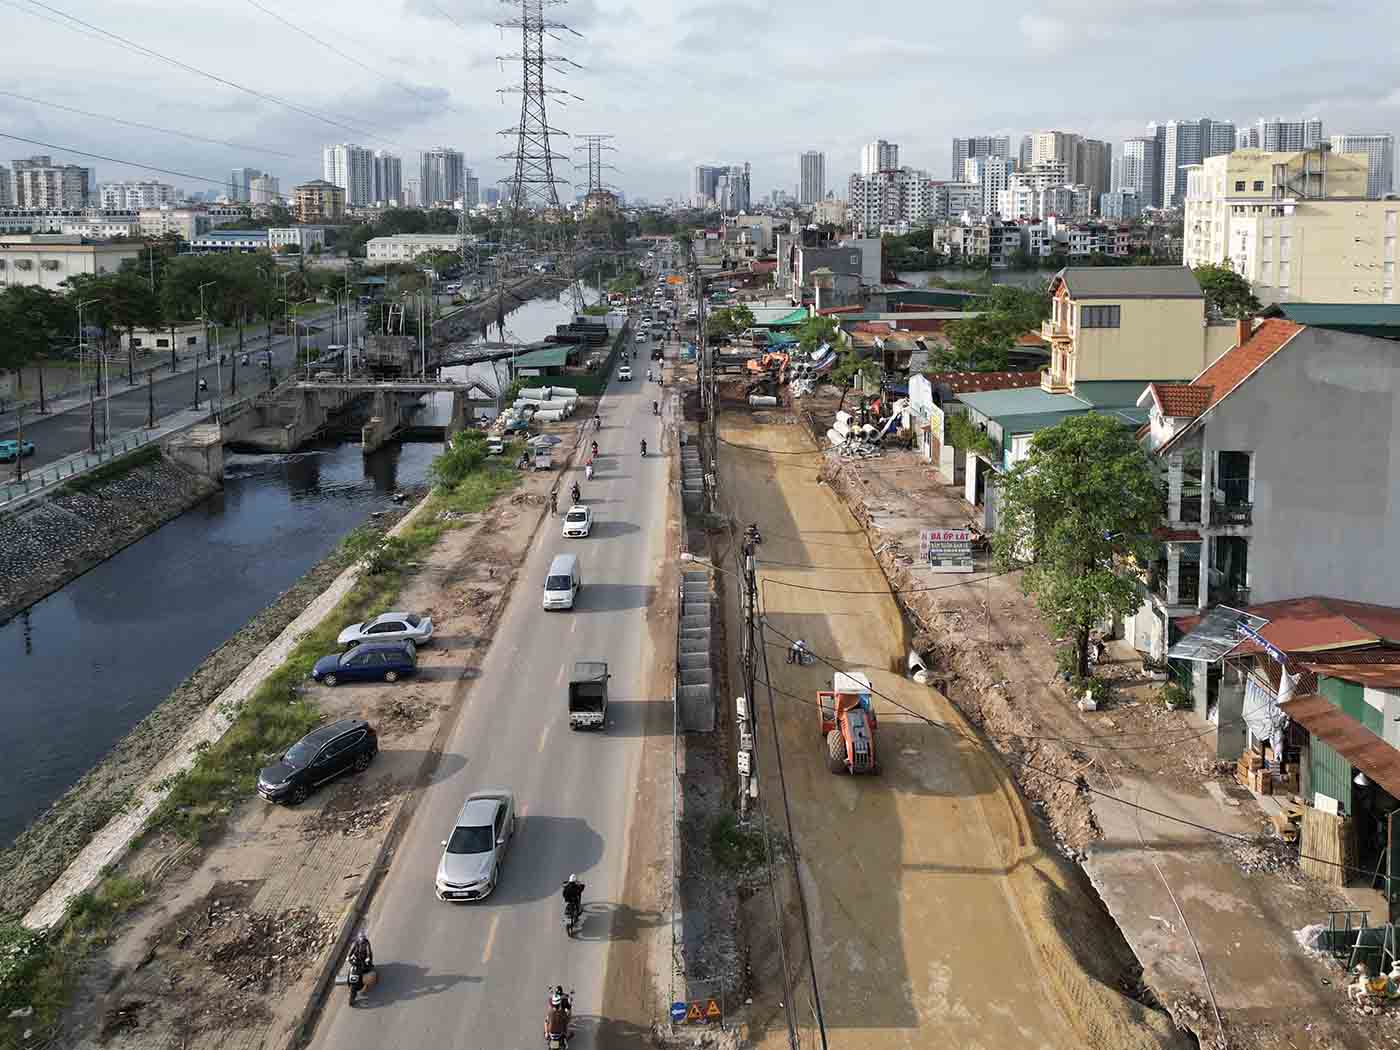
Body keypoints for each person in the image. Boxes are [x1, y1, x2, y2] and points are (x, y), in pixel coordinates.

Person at [347, 930, 374, 1006]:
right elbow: (352, 950)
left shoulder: (367, 943)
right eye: (360, 937)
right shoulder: (356, 942)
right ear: (358, 937)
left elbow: (368, 951)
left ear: (364, 937)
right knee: (351, 969)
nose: (361, 938)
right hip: (357, 959)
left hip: (364, 960)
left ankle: (365, 982)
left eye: (363, 937)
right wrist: (348, 956)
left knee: (366, 970)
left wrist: (368, 958)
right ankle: (350, 981)